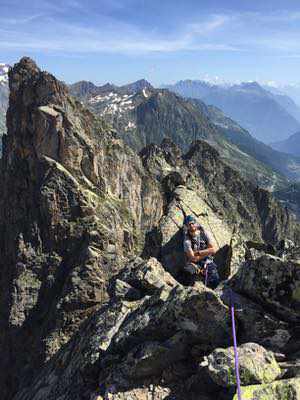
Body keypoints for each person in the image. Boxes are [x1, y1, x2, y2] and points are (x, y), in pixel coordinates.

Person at [183, 215, 220, 289]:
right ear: (186, 227)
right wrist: (207, 252)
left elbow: (214, 249)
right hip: (195, 265)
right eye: (189, 224)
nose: (191, 225)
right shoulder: (187, 241)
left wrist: (198, 253)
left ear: (196, 223)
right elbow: (193, 258)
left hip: (208, 262)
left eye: (192, 223)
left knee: (215, 280)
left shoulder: (205, 233)